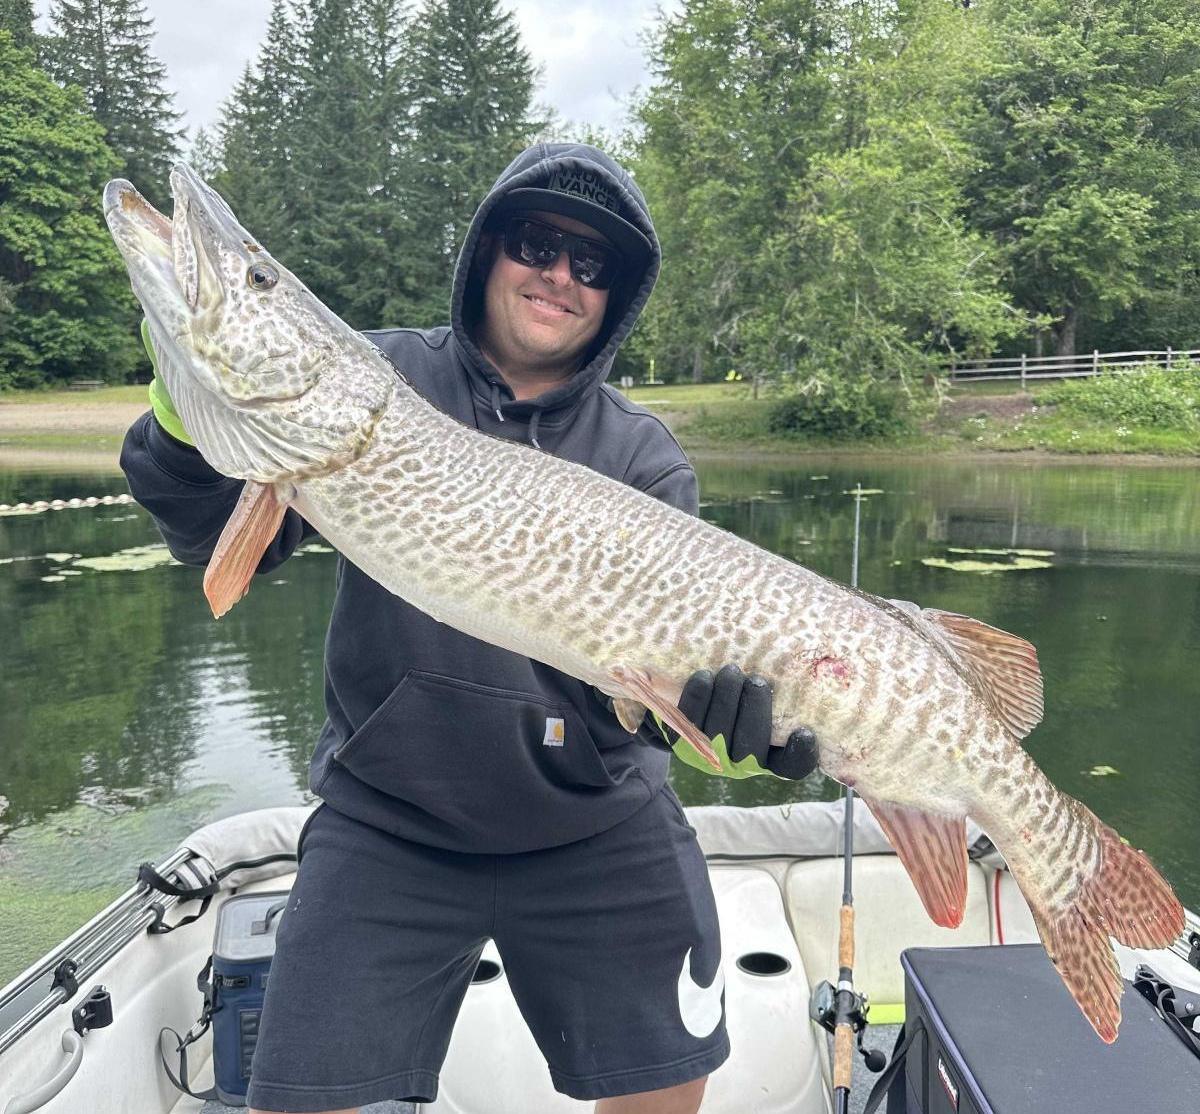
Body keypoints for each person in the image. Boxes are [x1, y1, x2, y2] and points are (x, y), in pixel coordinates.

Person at [121, 143, 820, 1114]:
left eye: (593, 264)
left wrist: (745, 734)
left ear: (614, 297)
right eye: (539, 241)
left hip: (594, 817)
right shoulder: (377, 379)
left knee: (665, 1090)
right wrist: (187, 401)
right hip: (390, 816)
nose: (560, 276)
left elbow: (656, 691)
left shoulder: (643, 455)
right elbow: (212, 534)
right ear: (491, 249)